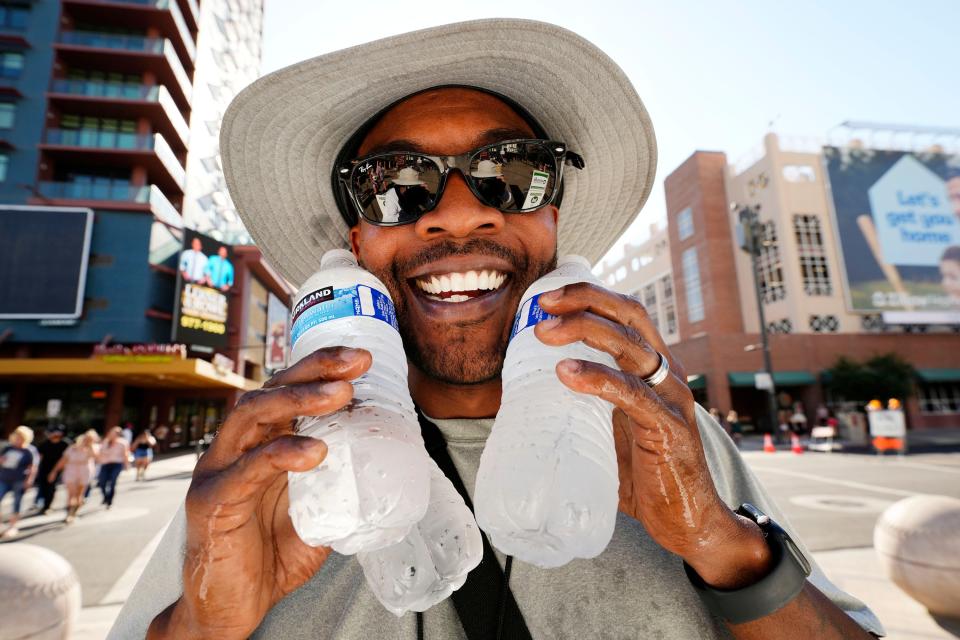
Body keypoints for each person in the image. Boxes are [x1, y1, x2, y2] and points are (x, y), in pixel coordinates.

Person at [118, 20, 883, 640]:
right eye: (395, 186)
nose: (457, 211)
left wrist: (723, 543)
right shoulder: (267, 462)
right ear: (355, 245)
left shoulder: (660, 435)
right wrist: (202, 626)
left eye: (511, 174)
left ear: (553, 222)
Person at [49, 429, 99, 524]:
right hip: (71, 471)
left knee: (79, 494)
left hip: (84, 471)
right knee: (71, 494)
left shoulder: (93, 448)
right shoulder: (72, 448)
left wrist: (90, 445)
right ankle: (69, 514)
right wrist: (54, 471)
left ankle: (74, 512)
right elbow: (63, 460)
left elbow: (96, 457)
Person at [0, 426, 38, 539]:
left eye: (20, 438)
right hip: (4, 478)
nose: (18, 440)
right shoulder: (8, 448)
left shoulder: (29, 451)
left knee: (17, 502)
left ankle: (13, 526)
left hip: (19, 480)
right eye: (17, 437)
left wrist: (29, 481)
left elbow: (33, 467)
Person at [33, 426, 72, 515]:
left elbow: (66, 458)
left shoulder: (65, 444)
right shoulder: (45, 444)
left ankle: (47, 506)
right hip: (44, 468)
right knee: (43, 487)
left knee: (51, 487)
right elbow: (39, 456)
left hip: (57, 469)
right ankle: (42, 504)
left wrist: (56, 471)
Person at [97, 426, 129, 509]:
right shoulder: (105, 442)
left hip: (116, 464)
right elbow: (99, 452)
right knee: (102, 482)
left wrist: (126, 465)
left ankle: (109, 501)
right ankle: (105, 496)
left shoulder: (123, 443)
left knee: (112, 483)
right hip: (105, 464)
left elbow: (125, 454)